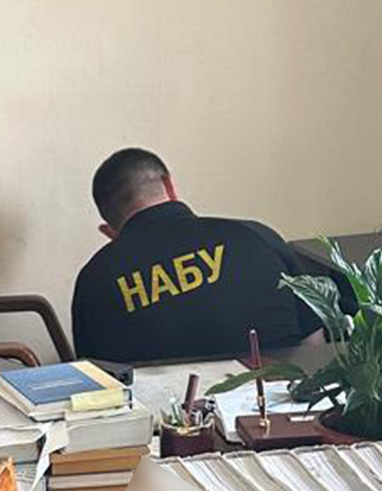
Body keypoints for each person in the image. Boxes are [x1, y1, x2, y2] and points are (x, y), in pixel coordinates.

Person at [71, 148, 323, 363]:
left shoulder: (94, 279)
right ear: (169, 185)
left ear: (109, 231)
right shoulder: (257, 236)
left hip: (165, 407)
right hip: (280, 401)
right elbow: (315, 343)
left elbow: (98, 380)